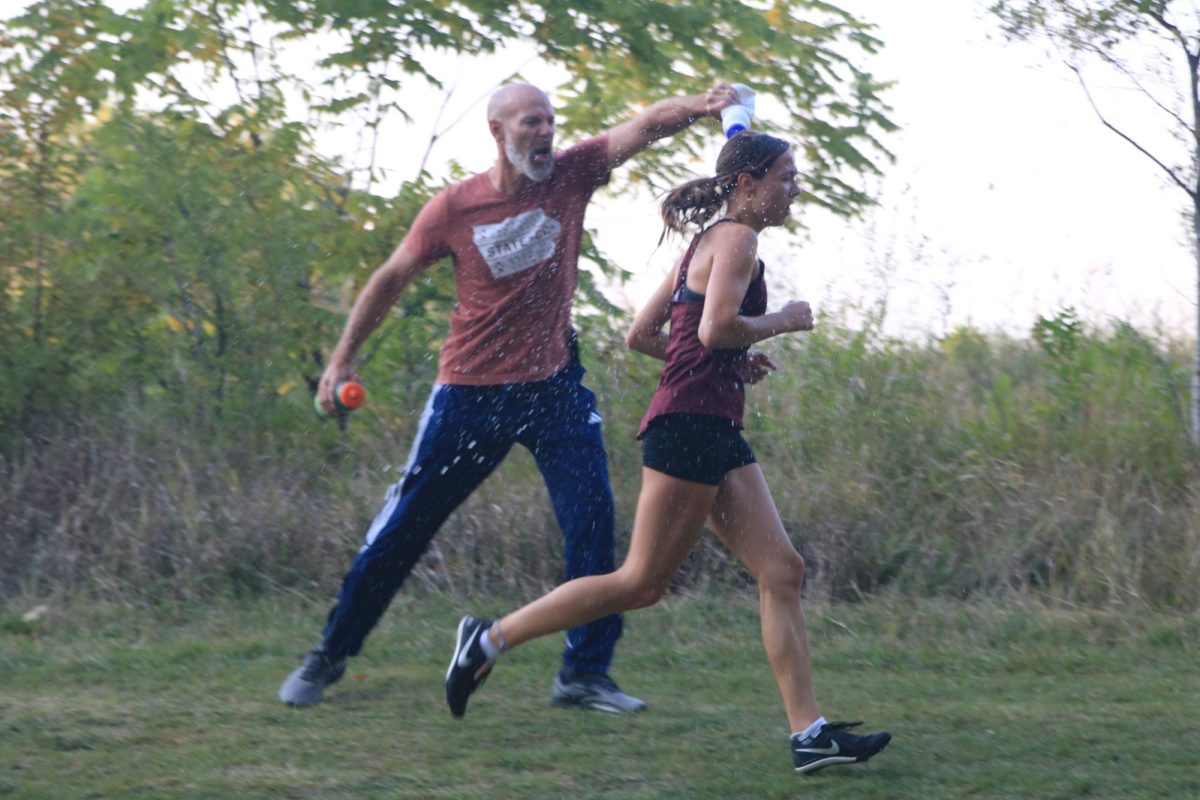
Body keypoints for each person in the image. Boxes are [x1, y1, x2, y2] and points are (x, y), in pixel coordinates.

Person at [280, 81, 743, 713]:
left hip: (554, 388)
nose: (546, 133)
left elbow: (642, 126)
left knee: (592, 525)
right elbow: (389, 278)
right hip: (469, 396)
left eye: (550, 121)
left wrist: (699, 106)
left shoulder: (574, 172)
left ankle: (583, 675)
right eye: (531, 124)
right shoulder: (453, 208)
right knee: (404, 529)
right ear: (499, 132)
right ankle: (330, 653)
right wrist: (340, 361)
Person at [444, 132, 892, 774]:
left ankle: (810, 735)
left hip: (708, 425)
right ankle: (486, 639)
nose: (795, 189)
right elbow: (712, 328)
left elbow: (645, 335)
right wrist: (782, 321)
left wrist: (736, 360)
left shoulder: (705, 242)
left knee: (782, 570)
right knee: (640, 582)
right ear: (748, 183)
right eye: (786, 177)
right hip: (688, 428)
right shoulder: (737, 239)